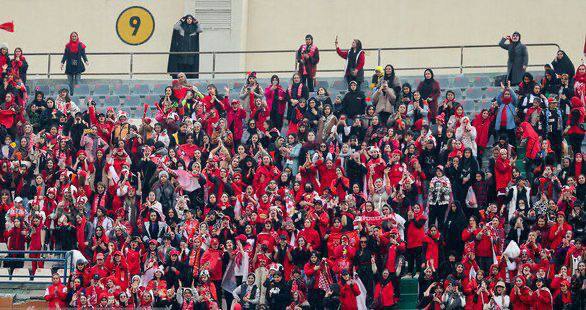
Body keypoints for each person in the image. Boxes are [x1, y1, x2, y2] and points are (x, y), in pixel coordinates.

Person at [168, 15, 203, 79]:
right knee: (181, 69)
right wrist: (181, 20)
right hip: (181, 54)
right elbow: (175, 27)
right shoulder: (181, 28)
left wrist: (197, 22)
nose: (189, 20)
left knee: (190, 71)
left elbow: (200, 29)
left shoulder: (194, 29)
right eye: (188, 19)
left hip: (190, 54)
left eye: (191, 19)